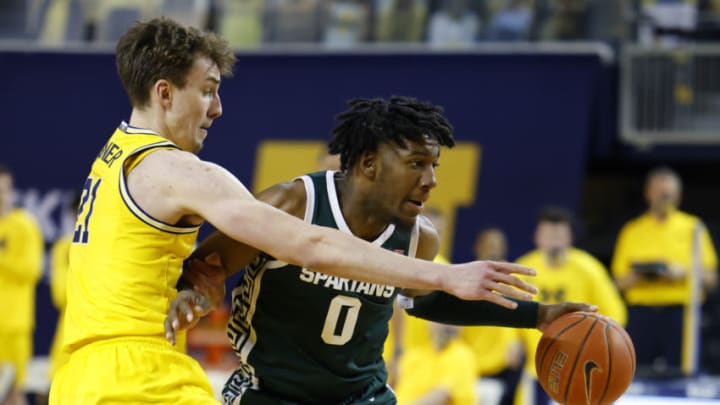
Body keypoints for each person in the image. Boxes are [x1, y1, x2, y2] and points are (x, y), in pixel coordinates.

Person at [49, 18, 541, 405]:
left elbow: (156, 262)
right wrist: (446, 277)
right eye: (207, 89)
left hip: (78, 378)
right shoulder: (179, 171)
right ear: (164, 92)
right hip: (138, 379)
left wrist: (195, 284)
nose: (217, 107)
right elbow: (311, 243)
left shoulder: (113, 156)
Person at [167, 97, 596, 405]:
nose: (430, 180)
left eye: (434, 166)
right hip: (271, 392)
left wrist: (537, 317)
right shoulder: (293, 203)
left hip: (362, 395)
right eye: (416, 164)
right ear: (370, 164)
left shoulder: (418, 237)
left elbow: (426, 301)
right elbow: (206, 268)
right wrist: (195, 293)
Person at [611, 166, 718, 377]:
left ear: (678, 196)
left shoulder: (693, 227)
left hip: (680, 313)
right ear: (647, 193)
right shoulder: (632, 230)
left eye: (668, 194)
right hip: (640, 314)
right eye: (659, 193)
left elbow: (712, 279)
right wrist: (643, 274)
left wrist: (684, 273)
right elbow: (617, 283)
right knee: (633, 373)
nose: (663, 198)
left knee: (682, 374)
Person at [516, 206, 627, 405]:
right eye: (549, 233)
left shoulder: (589, 268)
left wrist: (599, 343)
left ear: (570, 237)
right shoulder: (524, 268)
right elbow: (509, 307)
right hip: (536, 368)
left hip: (579, 367)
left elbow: (616, 314)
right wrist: (510, 340)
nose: (554, 239)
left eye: (559, 233)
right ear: (537, 237)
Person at [460, 227, 524, 405]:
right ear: (477, 247)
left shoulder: (513, 280)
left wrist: (516, 340)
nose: (493, 249)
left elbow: (520, 311)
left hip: (503, 361)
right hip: (472, 360)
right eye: (489, 245)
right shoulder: (464, 278)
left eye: (497, 245)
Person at [0, 164, 43, 405]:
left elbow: (31, 270)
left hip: (13, 324)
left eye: (3, 189)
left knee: (14, 392)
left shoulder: (24, 225)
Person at [394, 322, 477, 405]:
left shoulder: (461, 354)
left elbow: (442, 394)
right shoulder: (415, 355)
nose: (446, 326)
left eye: (451, 322)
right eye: (440, 321)